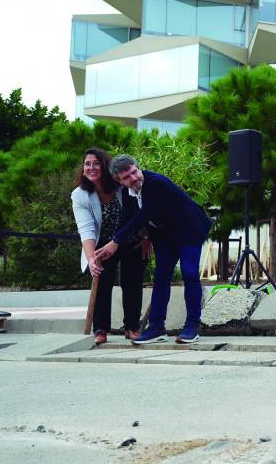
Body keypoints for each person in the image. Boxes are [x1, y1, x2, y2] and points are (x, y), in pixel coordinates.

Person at [94, 155, 211, 345]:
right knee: (161, 276)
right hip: (164, 234)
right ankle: (156, 327)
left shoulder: (157, 183)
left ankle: (192, 326)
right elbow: (126, 219)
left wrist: (115, 242)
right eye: (127, 177)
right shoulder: (127, 193)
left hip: (189, 229)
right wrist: (113, 244)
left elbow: (142, 216)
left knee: (189, 273)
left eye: (134, 172)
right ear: (119, 181)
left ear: (138, 168)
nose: (133, 178)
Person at [71, 148, 149, 344]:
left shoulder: (121, 183)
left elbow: (142, 210)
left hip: (131, 239)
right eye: (87, 164)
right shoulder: (80, 195)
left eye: (96, 163)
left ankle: (131, 327)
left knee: (131, 282)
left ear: (104, 165)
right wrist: (91, 259)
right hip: (102, 244)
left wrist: (147, 236)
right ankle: (100, 329)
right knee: (102, 282)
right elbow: (86, 228)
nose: (91, 168)